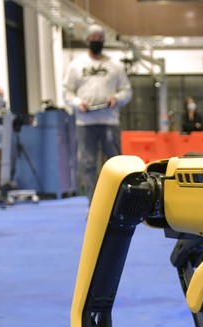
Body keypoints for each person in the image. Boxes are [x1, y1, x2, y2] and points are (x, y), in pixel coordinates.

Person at [63, 24, 133, 203]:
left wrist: (116, 99)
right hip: (85, 123)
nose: (96, 41)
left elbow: (127, 91)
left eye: (99, 38)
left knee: (115, 163)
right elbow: (67, 92)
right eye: (92, 38)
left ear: (103, 41)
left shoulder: (114, 66)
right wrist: (78, 103)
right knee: (87, 164)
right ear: (87, 40)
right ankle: (93, 203)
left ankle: (118, 202)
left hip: (109, 120)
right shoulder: (76, 65)